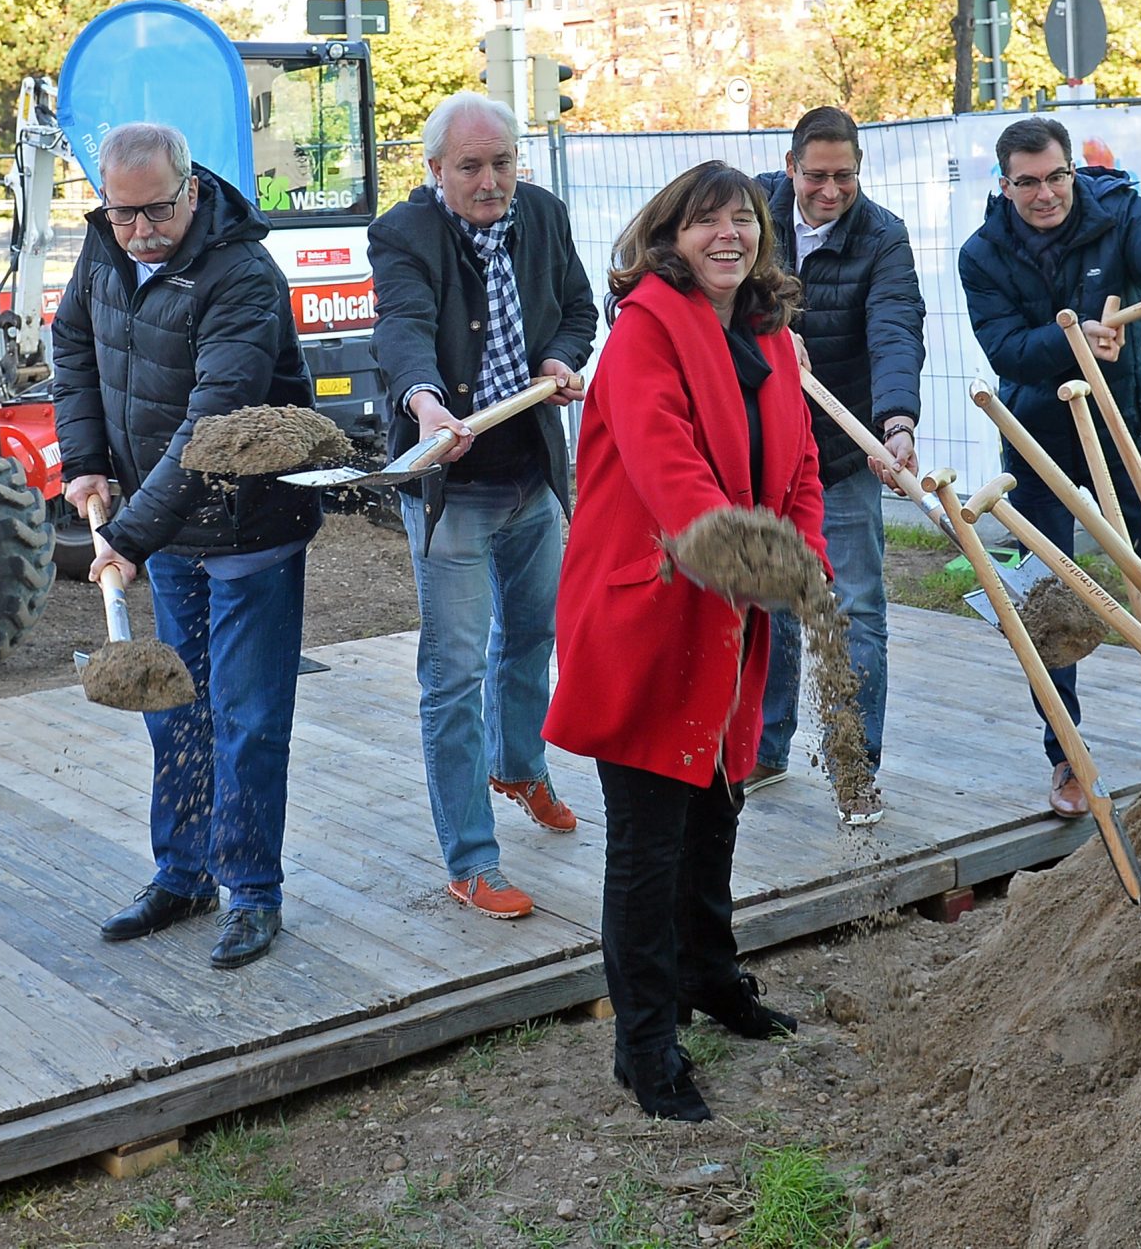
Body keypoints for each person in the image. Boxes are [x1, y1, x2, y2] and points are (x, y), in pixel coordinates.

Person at [544, 160, 822, 1122]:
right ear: (670, 235)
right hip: (651, 612)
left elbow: (800, 470)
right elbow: (670, 470)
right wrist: (749, 557)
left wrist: (805, 557)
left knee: (717, 812)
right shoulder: (641, 338)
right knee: (649, 842)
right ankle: (644, 1041)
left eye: (742, 220)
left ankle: (712, 977)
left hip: (730, 616)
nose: (728, 237)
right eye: (707, 223)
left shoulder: (770, 337)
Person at [53, 120, 320, 971]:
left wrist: (127, 534)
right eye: (121, 214)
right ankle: (184, 870)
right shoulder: (105, 249)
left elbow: (215, 426)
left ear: (192, 189)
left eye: (156, 212)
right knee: (175, 706)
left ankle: (251, 890)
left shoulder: (241, 274)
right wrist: (87, 458)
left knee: (245, 716)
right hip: (167, 534)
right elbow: (73, 347)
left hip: (250, 530)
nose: (139, 232)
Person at [368, 91, 597, 920]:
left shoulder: (543, 214)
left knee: (535, 634)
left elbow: (579, 307)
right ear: (436, 171)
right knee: (452, 674)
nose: (491, 179)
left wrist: (560, 358)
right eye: (471, 166)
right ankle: (470, 858)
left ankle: (519, 765)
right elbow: (402, 330)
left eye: (502, 161)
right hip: (453, 489)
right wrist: (425, 405)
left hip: (529, 471)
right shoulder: (406, 233)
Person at [957, 115, 1141, 819]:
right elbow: (1008, 349)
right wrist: (1073, 339)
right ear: (1005, 185)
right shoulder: (982, 254)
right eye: (1029, 183)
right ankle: (1066, 753)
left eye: (1057, 177)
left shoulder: (1117, 211)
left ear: (1074, 170)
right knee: (1050, 594)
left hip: (1126, 423)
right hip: (1040, 434)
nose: (1046, 194)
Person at [747, 106, 926, 825]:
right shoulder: (748, 212)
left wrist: (898, 423)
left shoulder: (882, 236)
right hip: (762, 445)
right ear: (790, 166)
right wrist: (771, 328)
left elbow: (894, 327)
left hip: (846, 448)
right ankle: (764, 744)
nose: (830, 189)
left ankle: (857, 769)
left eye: (844, 175)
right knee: (770, 597)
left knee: (853, 611)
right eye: (816, 175)